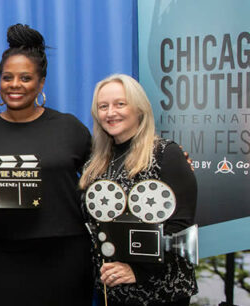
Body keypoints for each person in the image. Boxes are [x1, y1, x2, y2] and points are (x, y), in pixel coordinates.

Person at [0, 24, 94, 305]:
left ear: (41, 83)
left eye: (25, 78)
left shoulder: (69, 127)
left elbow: (105, 173)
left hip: (68, 254)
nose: (15, 85)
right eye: (7, 77)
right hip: (9, 257)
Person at [79, 74, 197, 306]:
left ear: (140, 109)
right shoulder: (96, 164)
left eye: (120, 104)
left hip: (161, 291)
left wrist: (138, 270)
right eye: (103, 106)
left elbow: (179, 227)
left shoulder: (165, 154)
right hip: (113, 291)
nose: (110, 112)